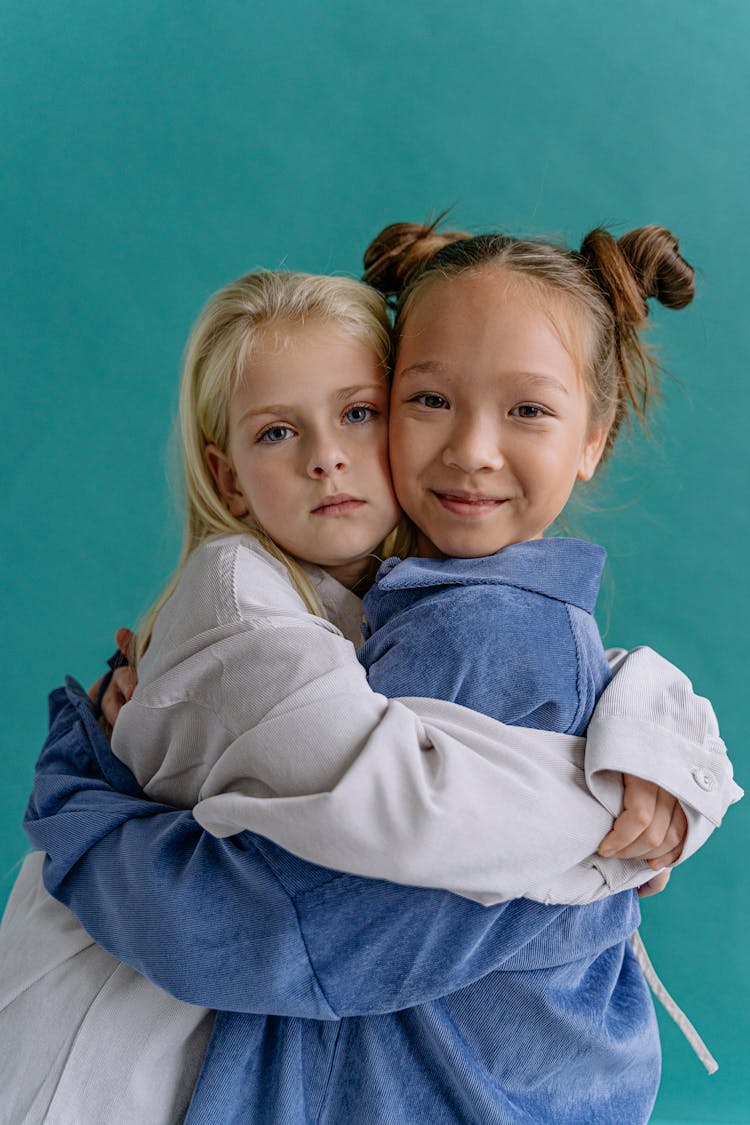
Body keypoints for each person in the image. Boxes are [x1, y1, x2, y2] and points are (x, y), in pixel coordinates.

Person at [2, 239, 741, 1123]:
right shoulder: (252, 598)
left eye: (356, 413)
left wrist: (660, 741)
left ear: (594, 438)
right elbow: (335, 873)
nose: (470, 448)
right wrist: (611, 823)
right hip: (99, 1051)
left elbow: (560, 695)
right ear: (229, 476)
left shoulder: (454, 608)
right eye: (429, 400)